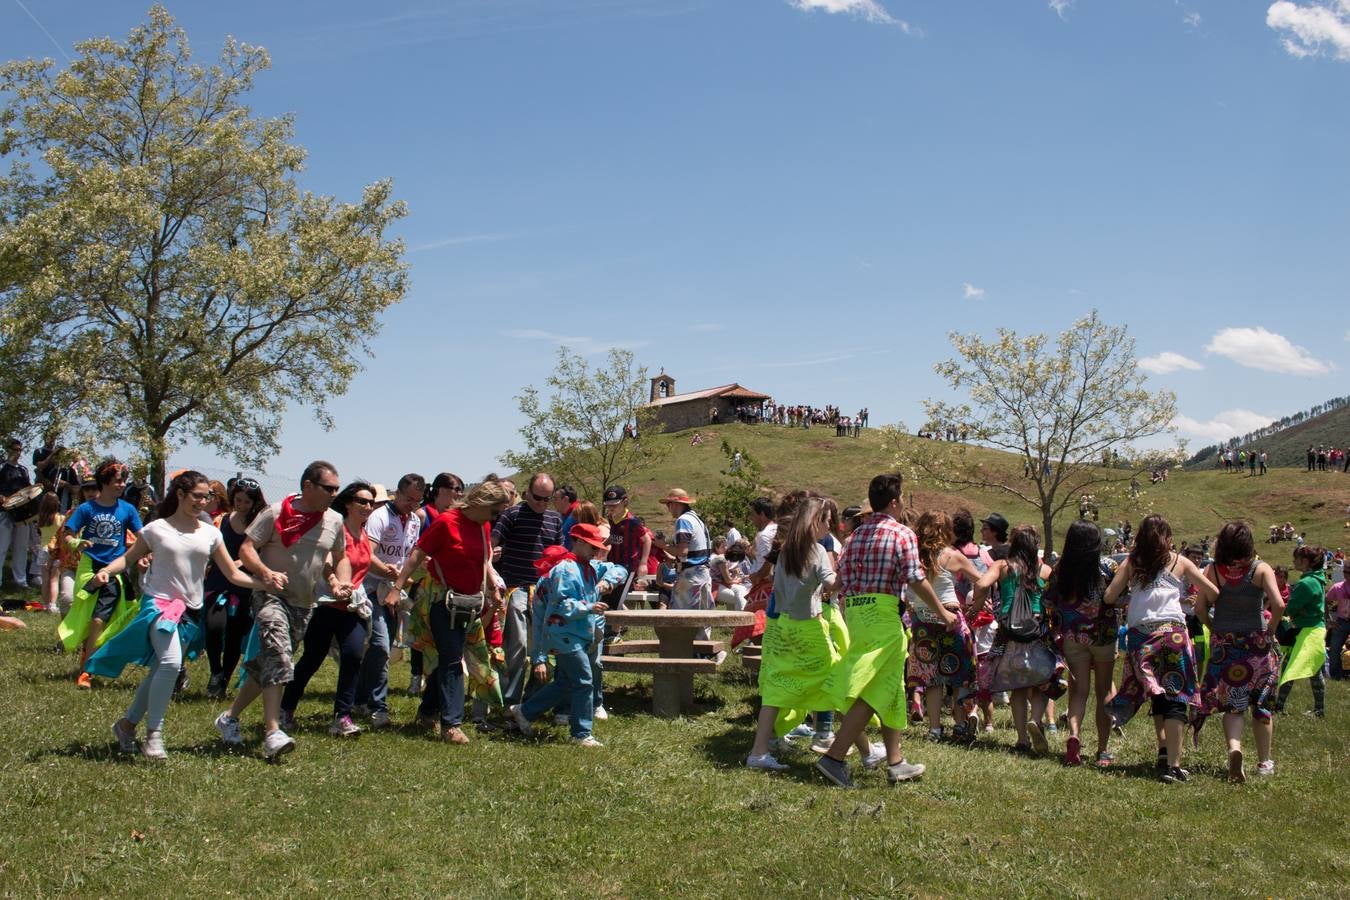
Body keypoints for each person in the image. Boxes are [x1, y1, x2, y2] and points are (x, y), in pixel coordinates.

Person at [88, 471, 265, 759]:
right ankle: (154, 734)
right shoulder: (157, 529)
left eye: (206, 496)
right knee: (171, 663)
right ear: (180, 495)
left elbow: (232, 573)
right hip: (159, 605)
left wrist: (264, 583)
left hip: (190, 611)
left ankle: (126, 725)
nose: (202, 501)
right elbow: (127, 559)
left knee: (161, 668)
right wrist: (107, 570)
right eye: (197, 495)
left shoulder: (210, 533)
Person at [816, 474, 954, 788]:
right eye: (901, 498)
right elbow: (916, 578)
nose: (903, 503)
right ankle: (834, 757)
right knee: (875, 687)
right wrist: (943, 611)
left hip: (856, 613)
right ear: (894, 502)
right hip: (883, 614)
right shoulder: (902, 533)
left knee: (890, 685)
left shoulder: (855, 536)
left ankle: (896, 761)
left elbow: (839, 581)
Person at [213, 461, 350, 760]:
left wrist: (341, 581)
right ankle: (272, 732)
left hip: (304, 604)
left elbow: (339, 557)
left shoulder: (335, 520)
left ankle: (230, 717)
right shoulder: (276, 513)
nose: (334, 494)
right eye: (329, 488)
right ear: (308, 487)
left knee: (268, 664)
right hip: (270, 596)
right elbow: (247, 549)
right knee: (279, 656)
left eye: (337, 489)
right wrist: (265, 573)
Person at [393, 480, 512, 744]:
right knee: (452, 659)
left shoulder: (484, 526)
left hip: (470, 604)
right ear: (482, 503)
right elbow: (417, 554)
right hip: (442, 602)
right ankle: (452, 724)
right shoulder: (447, 522)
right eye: (495, 511)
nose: (497, 517)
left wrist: (493, 587)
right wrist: (397, 587)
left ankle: (427, 711)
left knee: (450, 656)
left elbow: (483, 560)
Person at [1104, 515, 1217, 783]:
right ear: (1167, 537)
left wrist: (1133, 597)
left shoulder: (1132, 562)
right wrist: (1188, 598)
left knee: (1156, 692)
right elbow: (1212, 591)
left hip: (1141, 637)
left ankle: (1165, 751)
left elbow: (1109, 597)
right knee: (1176, 694)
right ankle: (1174, 765)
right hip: (1173, 634)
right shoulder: (1180, 561)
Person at [746, 497, 842, 771]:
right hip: (810, 627)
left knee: (776, 688)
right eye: (826, 521)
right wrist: (848, 571)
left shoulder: (787, 550)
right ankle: (861, 748)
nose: (829, 526)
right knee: (835, 680)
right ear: (816, 522)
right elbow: (832, 584)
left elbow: (777, 591)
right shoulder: (818, 551)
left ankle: (759, 752)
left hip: (783, 626)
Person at [511, 523, 626, 746]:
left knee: (564, 683)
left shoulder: (589, 567)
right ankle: (581, 734)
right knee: (584, 681)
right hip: (565, 635)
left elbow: (619, 568)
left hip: (578, 635)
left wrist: (607, 582)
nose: (596, 552)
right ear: (579, 542)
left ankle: (524, 711)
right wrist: (589, 607)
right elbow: (562, 605)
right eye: (592, 547)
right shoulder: (565, 570)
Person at [280, 482, 378, 737]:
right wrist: (335, 582)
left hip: (353, 608)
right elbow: (324, 561)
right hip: (327, 605)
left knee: (353, 656)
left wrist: (393, 572)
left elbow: (366, 564)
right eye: (362, 501)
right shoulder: (339, 530)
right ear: (348, 503)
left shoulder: (364, 535)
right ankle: (285, 709)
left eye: (371, 502)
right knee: (311, 660)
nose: (368, 506)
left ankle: (342, 717)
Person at [1192, 522, 1284, 781]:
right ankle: (1265, 762)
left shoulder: (1212, 571)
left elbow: (1199, 608)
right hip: (1257, 645)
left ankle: (1235, 748)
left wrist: (1215, 628)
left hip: (1226, 646)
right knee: (1261, 704)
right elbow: (1278, 604)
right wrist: (1271, 630)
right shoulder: (1260, 569)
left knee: (1234, 705)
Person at [973, 524, 1062, 755]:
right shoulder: (1045, 571)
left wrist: (977, 606)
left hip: (1008, 634)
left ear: (1013, 544)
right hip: (1037, 634)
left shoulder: (1001, 566)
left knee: (1018, 690)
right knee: (1044, 683)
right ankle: (1036, 719)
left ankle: (1022, 739)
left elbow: (981, 584)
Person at [58, 459, 144, 686]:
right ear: (104, 482)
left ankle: (87, 670)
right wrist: (76, 543)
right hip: (88, 569)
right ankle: (88, 656)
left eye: (123, 480)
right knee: (87, 617)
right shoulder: (86, 509)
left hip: (112, 570)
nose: (122, 485)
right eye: (117, 481)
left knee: (99, 619)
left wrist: (141, 555)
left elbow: (143, 537)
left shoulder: (128, 509)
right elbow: (66, 535)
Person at [1046, 521, 1119, 767]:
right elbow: (1120, 596)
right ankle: (1103, 750)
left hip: (1073, 636)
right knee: (1104, 693)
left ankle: (1074, 735)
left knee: (1079, 692)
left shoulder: (1059, 569)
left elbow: (1049, 600)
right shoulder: (1108, 567)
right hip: (1103, 635)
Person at [354, 473, 423, 728]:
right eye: (408, 498)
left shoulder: (415, 520)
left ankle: (359, 699)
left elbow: (410, 556)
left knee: (381, 648)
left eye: (417, 500)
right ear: (397, 493)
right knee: (382, 645)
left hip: (396, 591)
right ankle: (378, 706)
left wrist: (409, 574)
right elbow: (367, 555)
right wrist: (390, 572)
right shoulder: (379, 517)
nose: (412, 504)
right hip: (372, 588)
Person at [492, 473, 564, 712]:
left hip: (544, 591)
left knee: (542, 648)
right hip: (516, 587)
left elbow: (560, 553)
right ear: (526, 493)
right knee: (518, 645)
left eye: (547, 499)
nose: (541, 503)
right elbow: (492, 543)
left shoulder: (555, 519)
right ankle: (510, 701)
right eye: (537, 497)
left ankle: (532, 701)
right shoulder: (511, 514)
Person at [909, 510, 983, 741]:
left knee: (931, 677)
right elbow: (982, 581)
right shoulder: (952, 556)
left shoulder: (913, 556)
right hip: (950, 617)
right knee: (959, 673)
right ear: (945, 530)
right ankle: (960, 724)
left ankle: (934, 728)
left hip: (922, 621)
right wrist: (977, 605)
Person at [203, 478, 266, 698]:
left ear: (254, 502)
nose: (241, 505)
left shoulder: (259, 524)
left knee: (234, 636)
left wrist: (243, 563)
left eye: (246, 502)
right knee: (214, 626)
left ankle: (223, 682)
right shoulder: (223, 520)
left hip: (244, 586)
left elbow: (260, 552)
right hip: (218, 581)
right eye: (238, 500)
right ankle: (215, 671)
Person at [406, 472, 465, 696]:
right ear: (439, 490)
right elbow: (412, 547)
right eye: (454, 489)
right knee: (421, 629)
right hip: (422, 581)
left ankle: (434, 678)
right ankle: (416, 675)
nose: (458, 493)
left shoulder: (456, 517)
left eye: (460, 489)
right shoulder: (423, 514)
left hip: (446, 584)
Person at [1275, 545, 1329, 717]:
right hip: (1315, 630)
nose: (1293, 561)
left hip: (1305, 632)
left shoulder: (1305, 583)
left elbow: (1290, 609)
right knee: (1315, 671)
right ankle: (1319, 709)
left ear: (1305, 561)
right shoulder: (1318, 580)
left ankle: (1279, 706)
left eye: (1296, 558)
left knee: (1289, 668)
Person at [663, 488, 718, 651]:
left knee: (680, 616)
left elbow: (682, 552)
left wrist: (662, 545)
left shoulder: (683, 521)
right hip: (702, 573)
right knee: (702, 615)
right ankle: (704, 651)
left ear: (675, 504)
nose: (668, 508)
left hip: (690, 575)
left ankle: (681, 651)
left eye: (668, 504)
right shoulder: (697, 519)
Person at [0, 437, 35, 589]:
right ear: (8, 450)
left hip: (23, 514)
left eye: (20, 450)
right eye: (15, 449)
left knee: (21, 548)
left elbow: (29, 490)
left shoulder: (23, 470)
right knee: (2, 547)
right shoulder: (2, 468)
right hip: (5, 512)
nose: (18, 453)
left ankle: (20, 580)